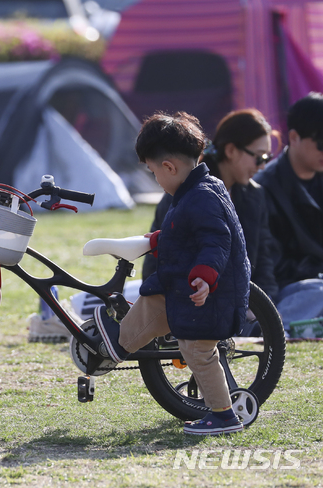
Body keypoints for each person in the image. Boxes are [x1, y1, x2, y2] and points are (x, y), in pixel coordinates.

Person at [93, 112, 251, 435]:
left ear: (169, 167)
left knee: (198, 353)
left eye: (153, 173)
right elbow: (184, 233)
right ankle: (117, 344)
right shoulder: (197, 191)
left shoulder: (201, 197)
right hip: (182, 288)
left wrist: (205, 277)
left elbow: (216, 240)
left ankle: (223, 415)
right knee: (152, 302)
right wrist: (155, 241)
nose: (155, 180)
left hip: (207, 294)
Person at [142, 109, 278, 314]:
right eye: (259, 157)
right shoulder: (184, 190)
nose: (262, 166)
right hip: (190, 301)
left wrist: (266, 311)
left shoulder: (254, 196)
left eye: (267, 158)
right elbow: (158, 260)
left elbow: (264, 261)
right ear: (231, 150)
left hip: (237, 300)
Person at [253, 93, 323, 334]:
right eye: (320, 142)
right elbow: (269, 265)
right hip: (291, 289)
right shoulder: (264, 188)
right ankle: (270, 330)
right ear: (294, 137)